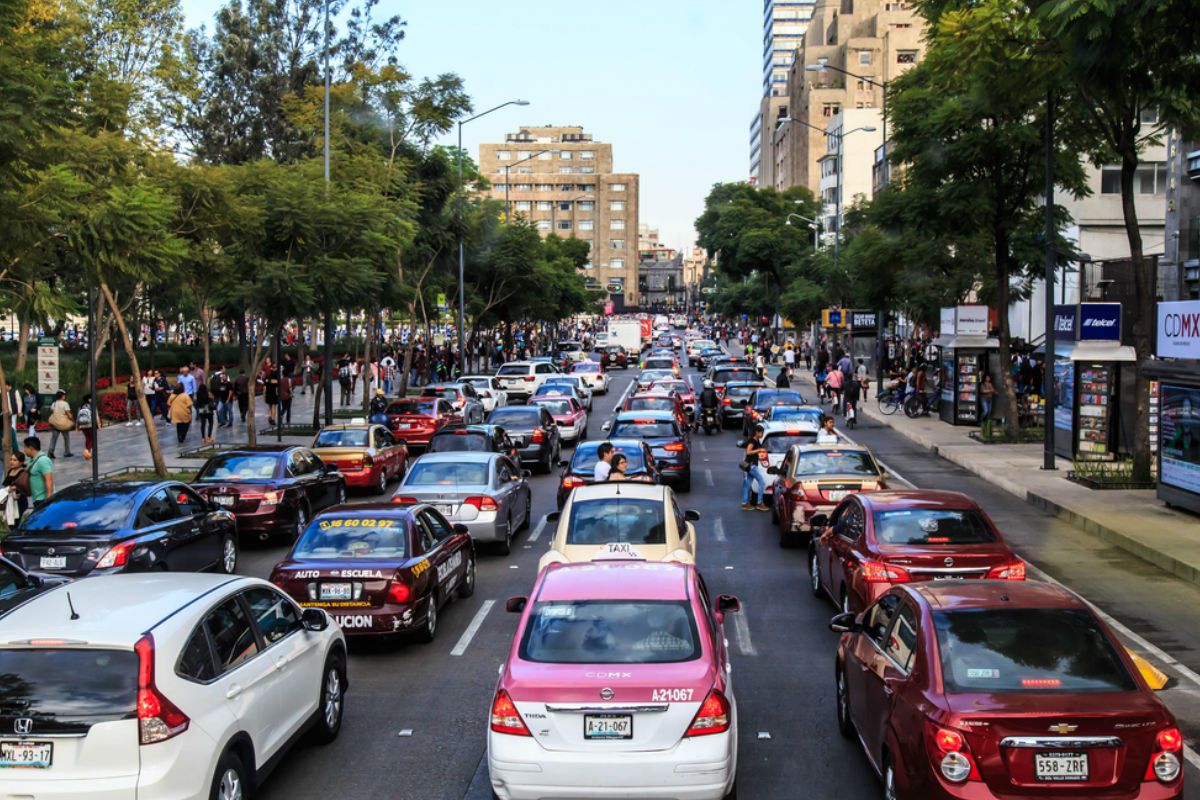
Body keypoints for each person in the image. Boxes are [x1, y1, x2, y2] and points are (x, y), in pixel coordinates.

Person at [740, 425, 768, 512]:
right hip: (751, 465)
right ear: (757, 432)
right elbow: (748, 452)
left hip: (750, 465)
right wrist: (759, 450)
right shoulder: (752, 441)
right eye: (761, 432)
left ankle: (744, 503)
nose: (762, 434)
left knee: (747, 484)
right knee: (761, 482)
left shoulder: (757, 441)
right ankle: (759, 503)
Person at [23, 436, 52, 503]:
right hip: (36, 499)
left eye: (25, 447)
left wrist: (48, 501)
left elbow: (49, 481)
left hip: (43, 500)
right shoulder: (32, 460)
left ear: (30, 448)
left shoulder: (43, 460)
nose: (24, 450)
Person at [2, 451, 29, 522]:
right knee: (10, 522)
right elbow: (6, 484)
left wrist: (18, 491)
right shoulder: (10, 471)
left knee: (15, 522)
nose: (11, 462)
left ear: (21, 462)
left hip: (19, 502)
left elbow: (26, 487)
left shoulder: (23, 473)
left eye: (15, 460)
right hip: (10, 501)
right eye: (11, 459)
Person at [47, 390, 73, 459]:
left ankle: (50, 452)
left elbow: (52, 411)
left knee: (54, 438)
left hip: (55, 423)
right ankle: (67, 452)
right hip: (63, 423)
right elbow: (68, 414)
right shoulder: (65, 404)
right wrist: (71, 418)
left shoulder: (54, 403)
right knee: (66, 438)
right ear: (62, 396)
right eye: (64, 395)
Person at [77, 394, 95, 460]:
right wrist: (98, 424)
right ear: (89, 399)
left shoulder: (81, 406)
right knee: (92, 439)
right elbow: (95, 415)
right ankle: (87, 451)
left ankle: (88, 454)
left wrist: (77, 426)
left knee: (88, 438)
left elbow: (78, 416)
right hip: (90, 424)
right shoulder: (91, 406)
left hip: (82, 425)